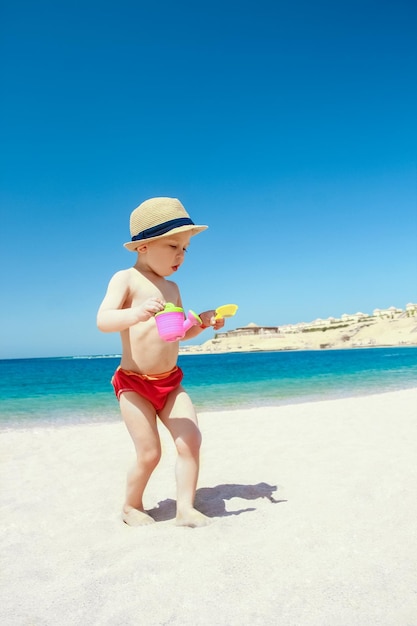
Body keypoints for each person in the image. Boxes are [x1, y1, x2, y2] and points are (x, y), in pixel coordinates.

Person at [97, 197, 225, 528]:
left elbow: (179, 333)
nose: (180, 255)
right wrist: (136, 313)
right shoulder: (125, 279)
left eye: (185, 248)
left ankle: (185, 508)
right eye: (172, 246)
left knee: (190, 440)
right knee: (150, 452)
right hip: (134, 384)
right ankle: (131, 505)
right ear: (142, 246)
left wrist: (203, 322)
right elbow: (104, 320)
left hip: (170, 382)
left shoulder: (172, 287)